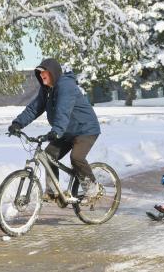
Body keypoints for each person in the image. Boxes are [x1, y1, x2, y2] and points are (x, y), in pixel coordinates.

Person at [8, 58, 101, 204]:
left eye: (44, 73)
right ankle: (53, 191)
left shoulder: (66, 87)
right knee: (48, 156)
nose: (42, 76)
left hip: (85, 129)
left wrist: (56, 131)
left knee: (76, 157)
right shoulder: (46, 90)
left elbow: (63, 111)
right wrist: (17, 123)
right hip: (66, 131)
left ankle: (93, 188)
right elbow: (34, 108)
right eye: (40, 74)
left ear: (53, 73)